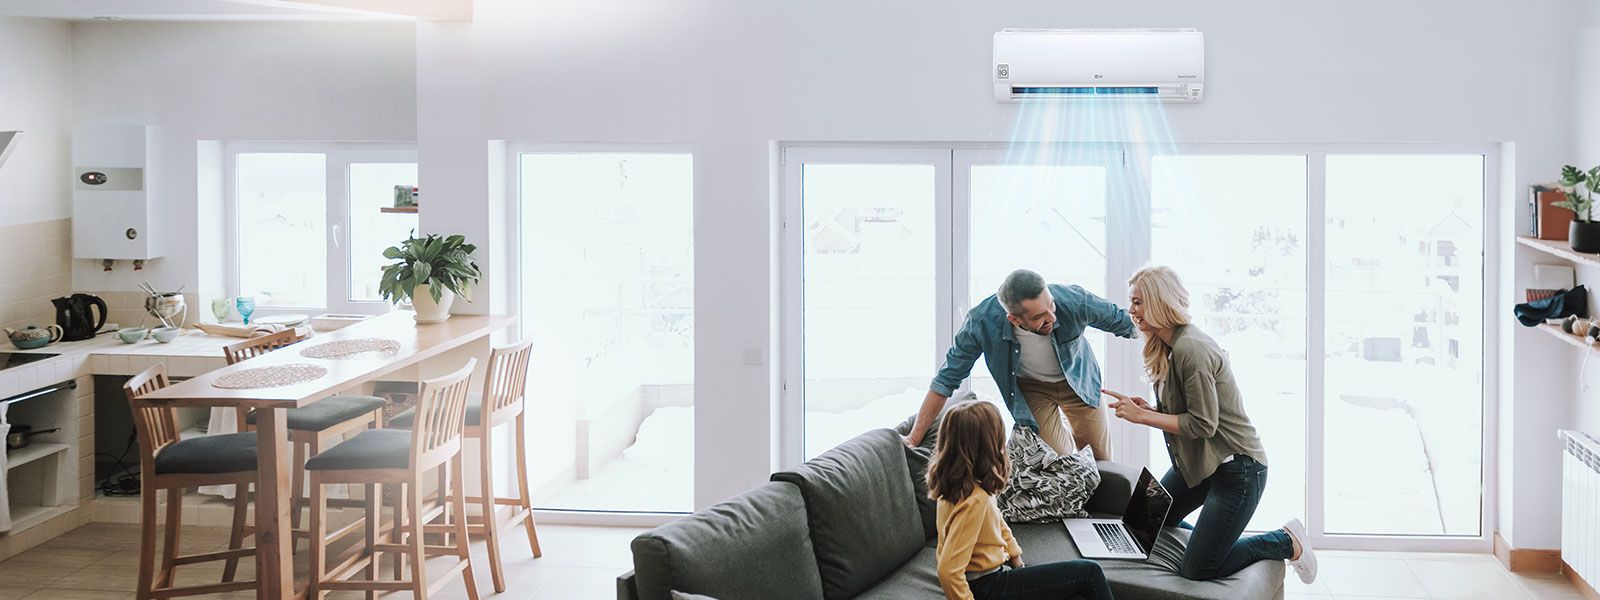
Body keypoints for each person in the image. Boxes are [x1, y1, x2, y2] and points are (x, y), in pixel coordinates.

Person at [1102, 265, 1318, 583]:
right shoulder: (1166, 345)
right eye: (1131, 302)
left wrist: (1144, 417)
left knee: (1198, 570)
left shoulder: (1193, 349)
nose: (1131, 310)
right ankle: (1209, 541)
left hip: (1238, 469)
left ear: (1160, 302)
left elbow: (1204, 424)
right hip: (1201, 461)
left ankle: (1286, 540)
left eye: (1138, 302)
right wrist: (1148, 408)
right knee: (1140, 521)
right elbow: (1187, 410)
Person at [907, 269, 1136, 460]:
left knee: (1101, 461)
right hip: (1032, 389)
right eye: (1040, 317)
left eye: (1051, 307)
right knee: (1057, 462)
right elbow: (946, 380)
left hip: (1078, 382)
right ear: (1014, 319)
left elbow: (1126, 321)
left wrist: (1167, 331)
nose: (1052, 318)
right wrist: (914, 438)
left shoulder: (1073, 300)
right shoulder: (982, 323)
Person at [929, 399, 1115, 600]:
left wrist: (1017, 560)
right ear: (990, 444)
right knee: (1090, 573)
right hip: (987, 587)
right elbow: (948, 570)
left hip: (992, 579)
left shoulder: (962, 486)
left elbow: (997, 524)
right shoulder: (975, 499)